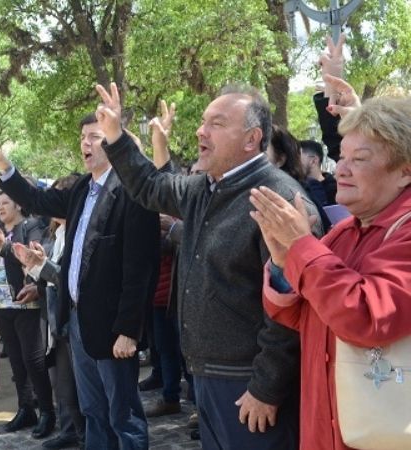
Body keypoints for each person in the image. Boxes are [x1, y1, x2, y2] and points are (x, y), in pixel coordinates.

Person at [95, 82, 321, 449]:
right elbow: (150, 187)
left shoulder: (279, 201)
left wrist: (267, 386)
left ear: (252, 139)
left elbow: (296, 306)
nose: (201, 131)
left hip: (250, 388)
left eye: (216, 123)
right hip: (207, 381)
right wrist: (117, 136)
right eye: (203, 121)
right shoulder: (205, 188)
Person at [0, 111, 160, 450]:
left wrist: (129, 330)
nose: (85, 144)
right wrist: (3, 162)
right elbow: (35, 199)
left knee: (124, 416)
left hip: (114, 328)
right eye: (82, 137)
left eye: (94, 136)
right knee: (93, 413)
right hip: (78, 322)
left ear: (116, 142)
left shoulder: (133, 192)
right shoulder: (80, 190)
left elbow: (140, 268)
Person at [253, 94, 411, 449]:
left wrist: (301, 246)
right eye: (342, 157)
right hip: (324, 429)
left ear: (404, 172)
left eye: (360, 159)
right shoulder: (344, 231)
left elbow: (366, 317)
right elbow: (302, 315)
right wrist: (282, 263)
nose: (341, 168)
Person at [12, 173, 87, 450]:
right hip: (54, 319)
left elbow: (69, 279)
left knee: (77, 387)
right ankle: (70, 430)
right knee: (61, 383)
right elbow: (50, 278)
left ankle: (83, 435)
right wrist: (32, 265)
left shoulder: (79, 233)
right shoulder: (56, 234)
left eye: (58, 196)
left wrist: (40, 266)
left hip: (73, 320)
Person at [0, 191, 56, 439]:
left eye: (5, 202)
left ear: (19, 204)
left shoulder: (29, 227)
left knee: (33, 361)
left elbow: (30, 261)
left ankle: (47, 412)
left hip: (24, 303)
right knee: (17, 363)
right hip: (0, 305)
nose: (0, 207)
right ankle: (25, 408)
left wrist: (4, 246)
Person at [299, 140, 337, 207]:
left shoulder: (336, 190)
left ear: (313, 161)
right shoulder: (299, 189)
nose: (293, 162)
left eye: (298, 157)